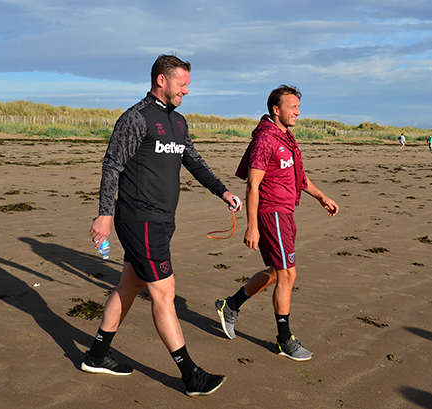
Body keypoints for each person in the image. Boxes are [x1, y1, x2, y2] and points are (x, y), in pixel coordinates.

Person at [84, 54, 240, 397]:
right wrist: (104, 213)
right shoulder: (135, 118)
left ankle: (96, 354)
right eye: (182, 84)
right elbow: (112, 165)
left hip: (162, 221)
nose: (187, 90)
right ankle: (190, 375)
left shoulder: (178, 123)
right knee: (164, 293)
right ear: (161, 81)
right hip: (139, 219)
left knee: (129, 286)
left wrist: (222, 190)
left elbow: (193, 160)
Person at [215, 85, 339, 361]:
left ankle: (231, 305)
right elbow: (253, 185)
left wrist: (321, 197)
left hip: (286, 212)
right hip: (271, 212)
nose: (297, 112)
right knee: (287, 274)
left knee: (278, 270)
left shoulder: (287, 138)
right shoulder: (265, 140)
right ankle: (284, 340)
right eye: (292, 106)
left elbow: (299, 177)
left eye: (298, 107)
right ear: (276, 109)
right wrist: (252, 225)